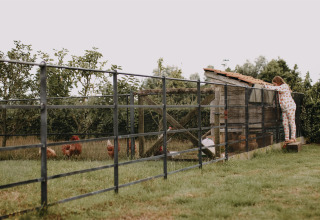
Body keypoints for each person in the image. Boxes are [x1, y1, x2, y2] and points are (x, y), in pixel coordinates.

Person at [263, 76, 296, 143]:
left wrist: (266, 86)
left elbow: (276, 88)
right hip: (284, 108)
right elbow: (278, 98)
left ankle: (293, 138)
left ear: (277, 82)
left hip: (290, 107)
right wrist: (274, 104)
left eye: (275, 83)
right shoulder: (279, 89)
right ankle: (287, 139)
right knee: (285, 123)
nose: (275, 85)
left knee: (291, 122)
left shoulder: (284, 86)